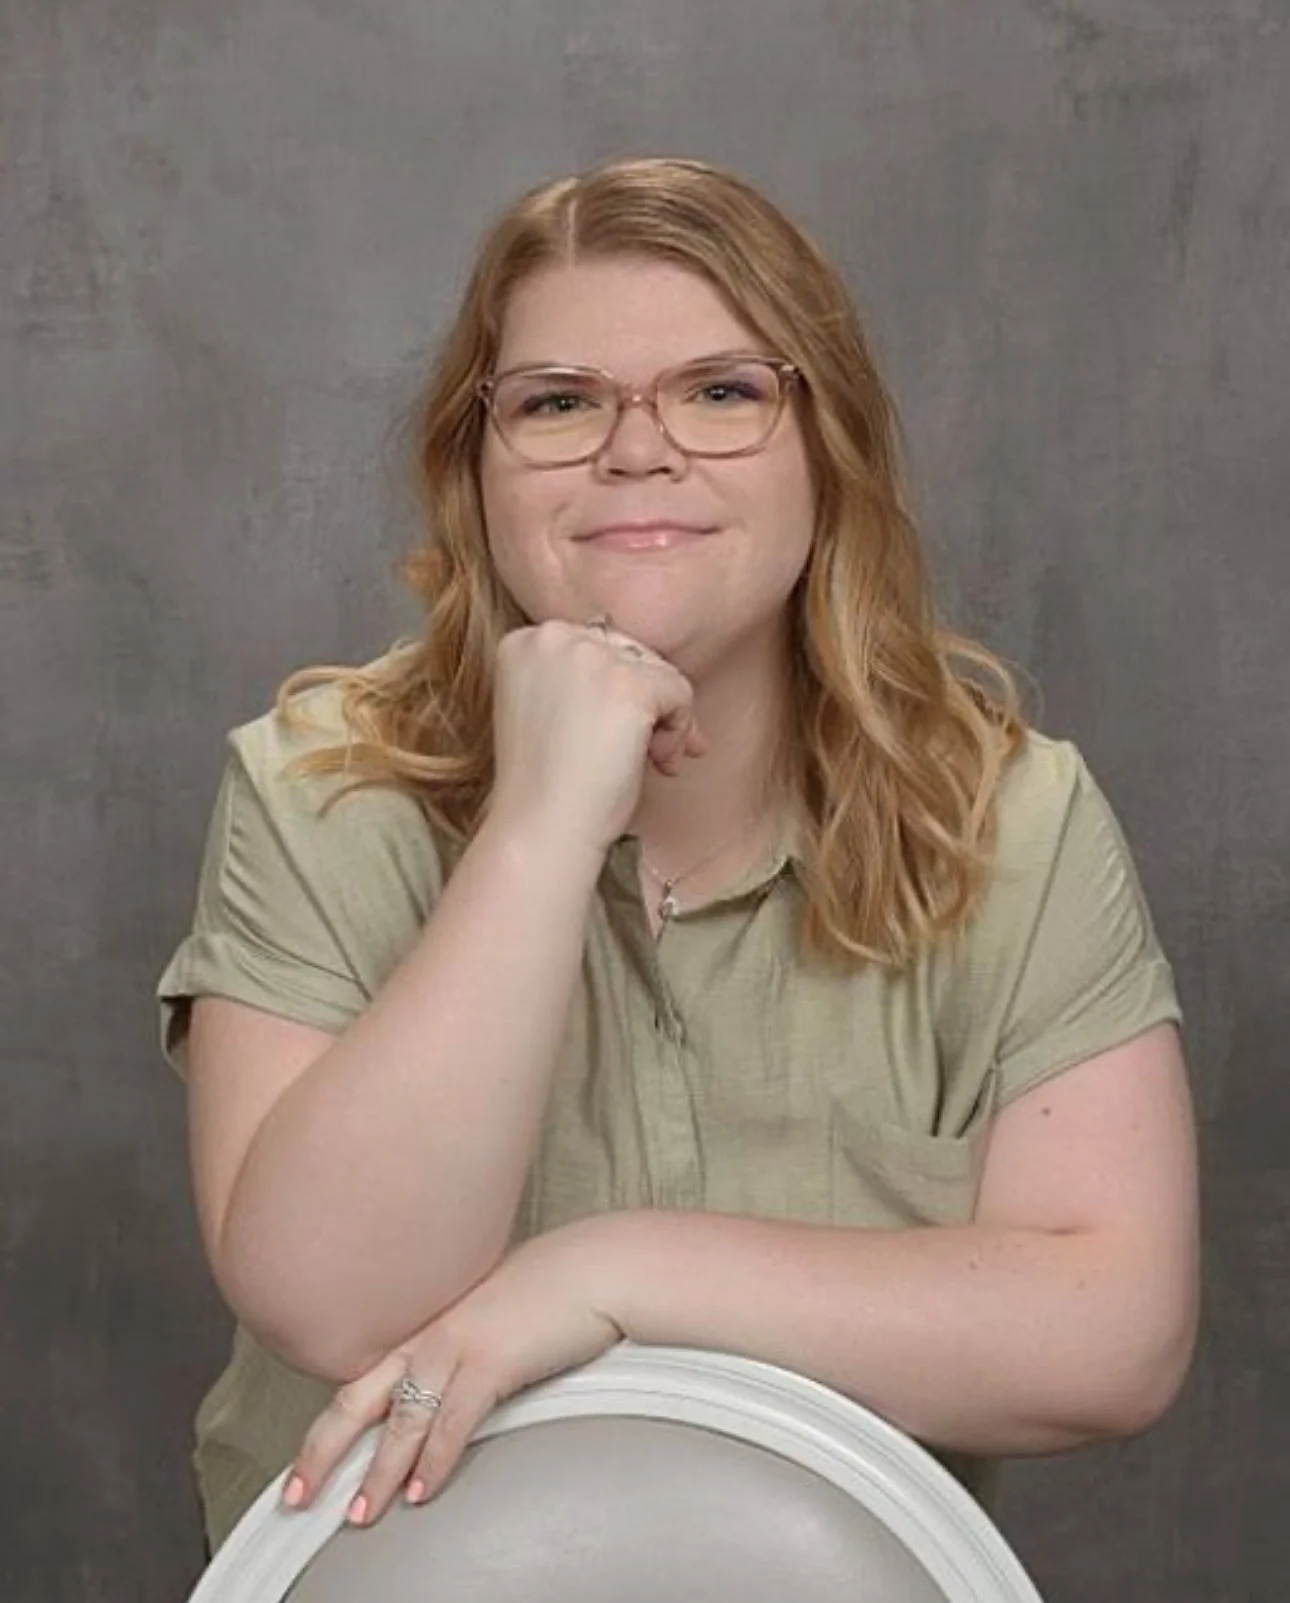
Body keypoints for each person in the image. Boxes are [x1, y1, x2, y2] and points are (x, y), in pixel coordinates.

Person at [156, 156, 1200, 1556]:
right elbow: (333, 1299)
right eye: (558, 401)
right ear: (474, 468)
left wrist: (612, 1270)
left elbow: (1110, 1336)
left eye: (721, 390)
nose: (634, 449)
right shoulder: (316, 790)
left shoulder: (1008, 815)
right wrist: (535, 830)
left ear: (826, 447)